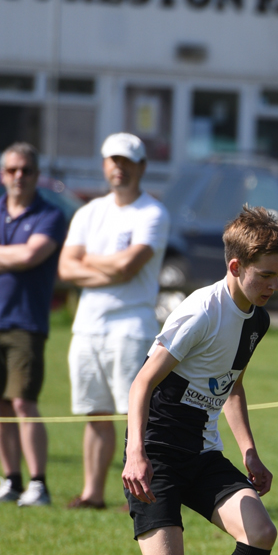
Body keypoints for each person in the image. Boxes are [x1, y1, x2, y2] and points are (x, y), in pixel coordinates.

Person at [41, 205, 278, 555]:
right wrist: (135, 452)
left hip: (201, 451)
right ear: (236, 267)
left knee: (261, 532)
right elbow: (142, 381)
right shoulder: (202, 310)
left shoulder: (256, 320)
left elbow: (232, 385)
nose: (273, 286)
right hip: (155, 454)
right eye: (265, 275)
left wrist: (249, 451)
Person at [57, 133, 170, 509]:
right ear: (104, 164)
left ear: (141, 167)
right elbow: (65, 267)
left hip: (131, 327)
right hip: (88, 326)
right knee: (93, 412)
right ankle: (92, 493)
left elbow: (128, 266)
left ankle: (139, 493)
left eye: (126, 161)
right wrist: (105, 265)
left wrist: (88, 259)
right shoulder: (89, 212)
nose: (118, 168)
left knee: (134, 416)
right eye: (112, 160)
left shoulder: (152, 213)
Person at [0, 142, 68, 507]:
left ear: (36, 175)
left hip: (26, 322)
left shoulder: (49, 215)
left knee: (24, 402)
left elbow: (31, 256)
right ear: (2, 174)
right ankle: (11, 481)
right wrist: (7, 256)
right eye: (12, 170)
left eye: (26, 170)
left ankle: (38, 484)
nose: (19, 176)